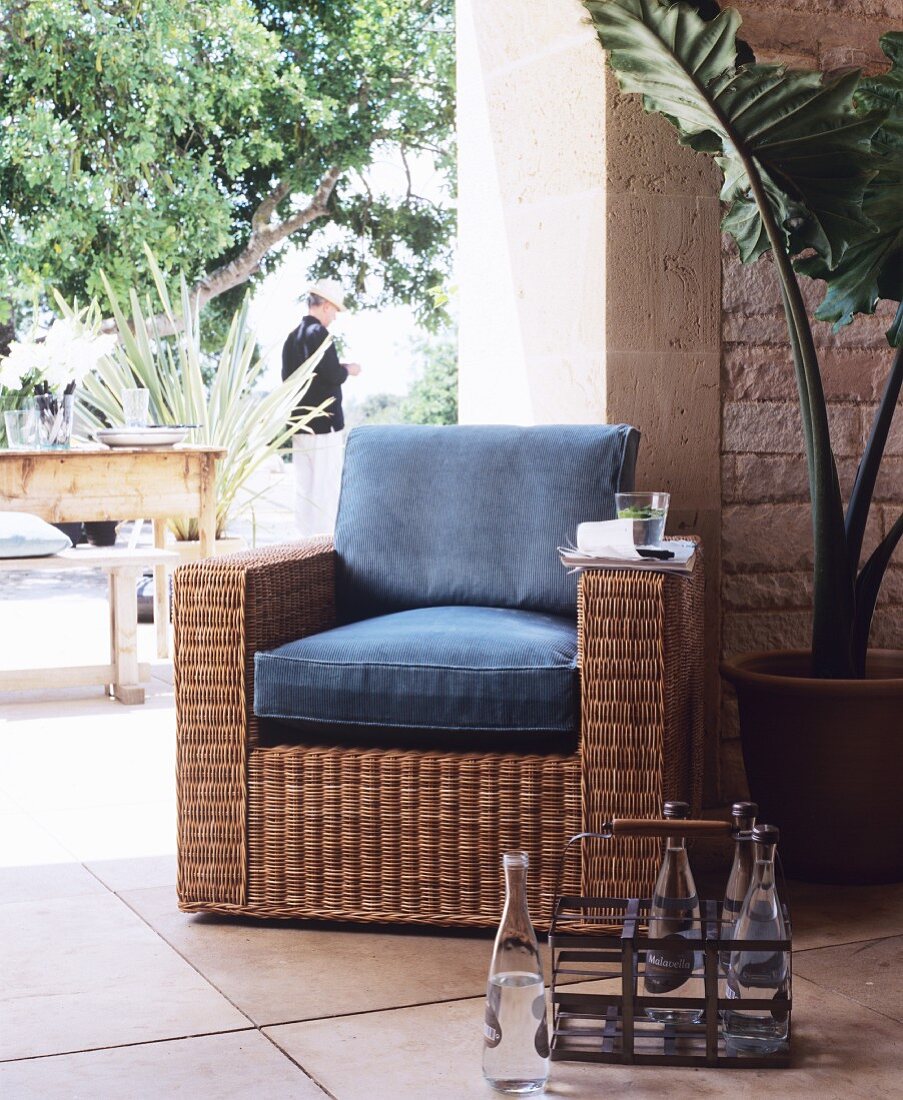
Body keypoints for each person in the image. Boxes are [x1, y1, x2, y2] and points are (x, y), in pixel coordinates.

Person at [281, 279, 362, 536]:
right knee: (326, 487)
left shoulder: (291, 338)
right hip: (324, 425)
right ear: (326, 306)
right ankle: (324, 545)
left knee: (304, 487)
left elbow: (288, 379)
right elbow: (332, 375)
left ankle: (303, 544)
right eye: (335, 310)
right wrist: (348, 369)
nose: (335, 317)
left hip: (299, 424)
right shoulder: (320, 334)